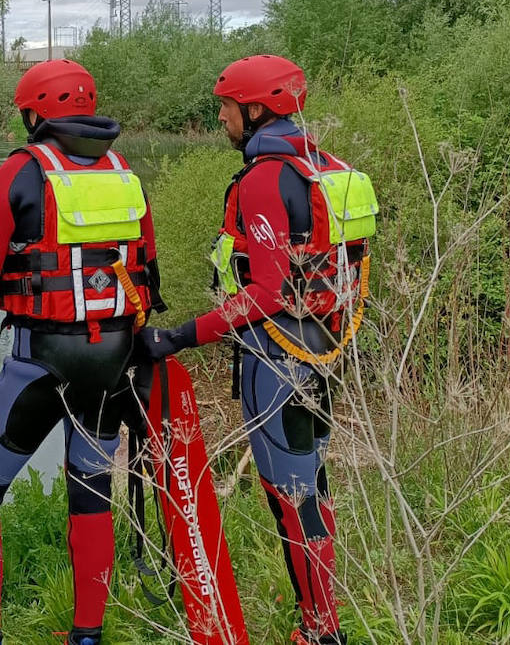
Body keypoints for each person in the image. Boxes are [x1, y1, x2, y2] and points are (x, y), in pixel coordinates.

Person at [141, 54, 376, 645]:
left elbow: (268, 290)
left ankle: (322, 632)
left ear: (254, 109)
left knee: (291, 495)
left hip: (275, 362)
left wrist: (178, 336)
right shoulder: (321, 166)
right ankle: (319, 622)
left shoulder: (266, 178)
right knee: (312, 487)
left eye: (225, 107)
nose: (221, 119)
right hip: (323, 349)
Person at [0, 59, 164, 645]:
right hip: (113, 365)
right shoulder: (126, 174)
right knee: (91, 491)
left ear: (35, 113)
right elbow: (147, 273)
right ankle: (87, 636)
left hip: (40, 362)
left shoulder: (21, 172)